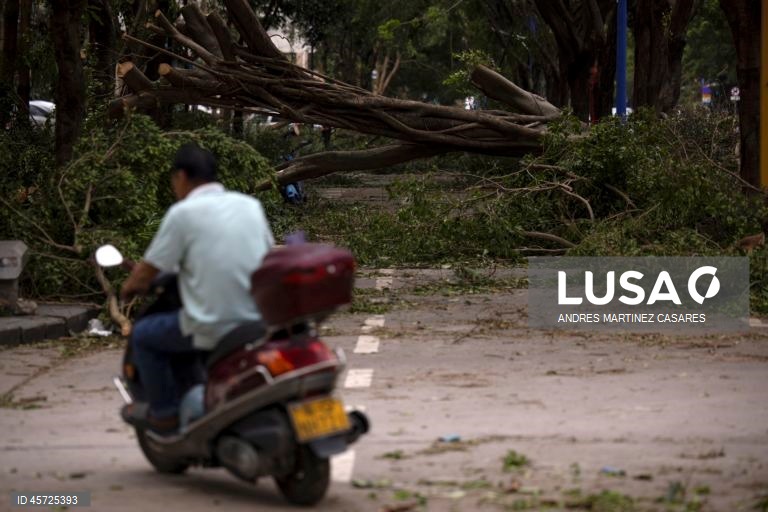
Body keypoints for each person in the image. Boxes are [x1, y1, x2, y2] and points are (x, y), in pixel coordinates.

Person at [120, 143, 274, 432]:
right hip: (257, 321)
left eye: (173, 181)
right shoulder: (249, 205)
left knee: (142, 335)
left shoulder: (183, 213)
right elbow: (267, 255)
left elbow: (146, 272)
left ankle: (164, 412)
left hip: (211, 325)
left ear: (181, 177)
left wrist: (128, 289)